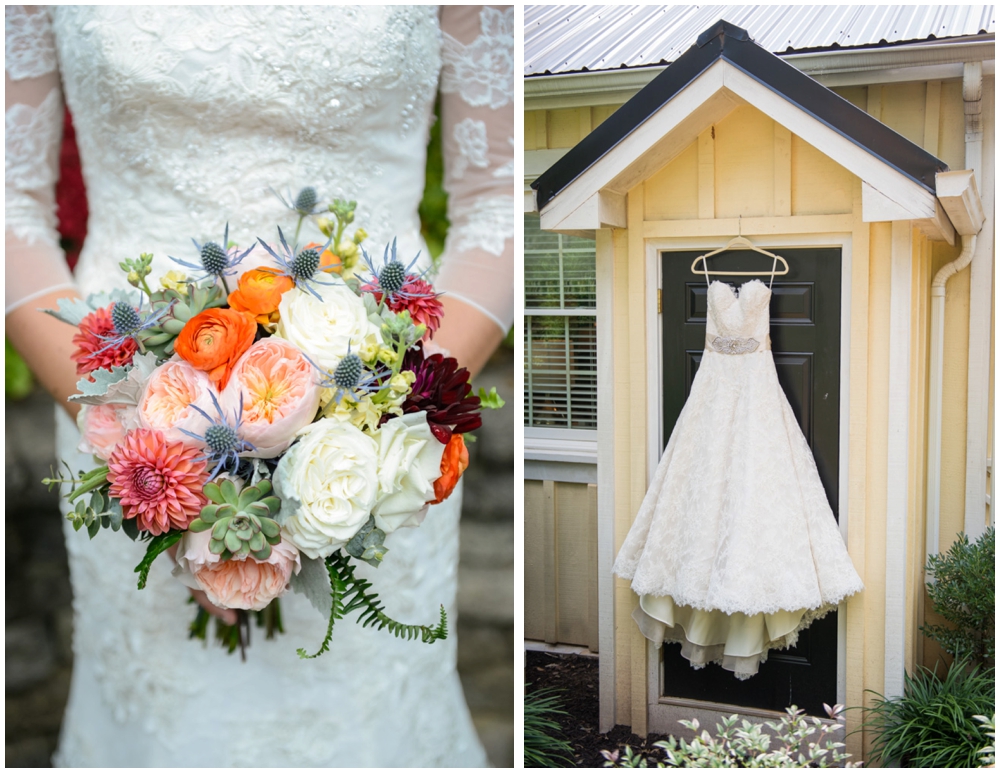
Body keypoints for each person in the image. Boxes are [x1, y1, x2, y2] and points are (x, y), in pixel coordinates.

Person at [5, 6, 514, 766]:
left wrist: (375, 433)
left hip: (382, 422)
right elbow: (10, 205)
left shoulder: (379, 430)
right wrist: (138, 435)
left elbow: (498, 207)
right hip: (123, 427)